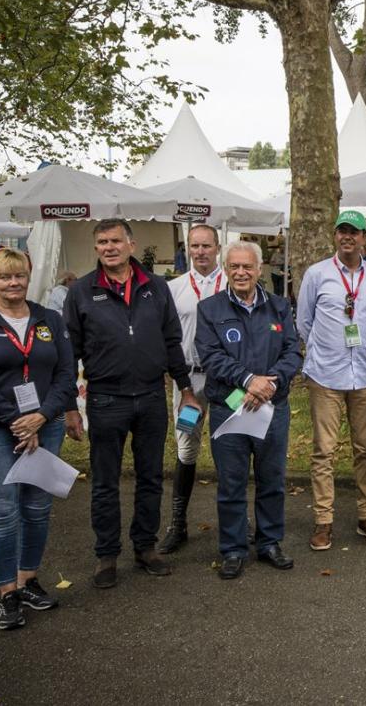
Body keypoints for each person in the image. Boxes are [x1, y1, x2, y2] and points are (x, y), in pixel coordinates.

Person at [63, 218, 200, 588]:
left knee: (151, 477)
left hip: (153, 396)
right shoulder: (81, 293)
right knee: (105, 482)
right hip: (106, 399)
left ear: (131, 245)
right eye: (102, 243)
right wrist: (68, 404)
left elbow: (172, 340)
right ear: (97, 249)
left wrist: (186, 388)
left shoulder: (155, 287)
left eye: (115, 241)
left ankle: (145, 547)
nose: (108, 248)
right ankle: (106, 555)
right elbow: (67, 352)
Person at [0, 249, 77, 630]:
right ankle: (7, 592)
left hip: (46, 424)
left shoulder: (49, 320)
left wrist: (42, 416)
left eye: (20, 276)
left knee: (37, 507)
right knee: (2, 511)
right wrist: (17, 421)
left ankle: (27, 580)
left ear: (28, 276)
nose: (13, 283)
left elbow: (66, 374)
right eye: (5, 277)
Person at [195, 241, 302, 579]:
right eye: (234, 267)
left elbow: (293, 352)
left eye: (247, 267)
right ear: (225, 269)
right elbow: (210, 355)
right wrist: (247, 380)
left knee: (272, 480)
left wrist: (268, 385)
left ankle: (269, 542)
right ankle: (233, 548)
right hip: (230, 406)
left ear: (259, 270)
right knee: (231, 481)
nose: (241, 273)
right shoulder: (209, 309)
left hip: (273, 406)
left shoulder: (280, 306)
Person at [297, 210, 366, 551]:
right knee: (324, 451)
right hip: (326, 375)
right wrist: (324, 351)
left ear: (364, 238)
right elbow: (304, 322)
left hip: (363, 374)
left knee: (365, 449)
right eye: (342, 231)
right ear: (335, 236)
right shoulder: (317, 274)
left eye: (354, 231)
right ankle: (323, 522)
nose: (347, 236)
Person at [158, 224, 225, 554]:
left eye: (206, 245)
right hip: (188, 383)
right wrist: (176, 379)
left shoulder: (232, 282)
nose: (200, 251)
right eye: (195, 246)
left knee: (233, 446)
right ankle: (178, 524)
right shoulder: (174, 288)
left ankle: (236, 521)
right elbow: (167, 338)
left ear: (217, 247)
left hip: (228, 382)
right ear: (189, 248)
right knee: (186, 448)